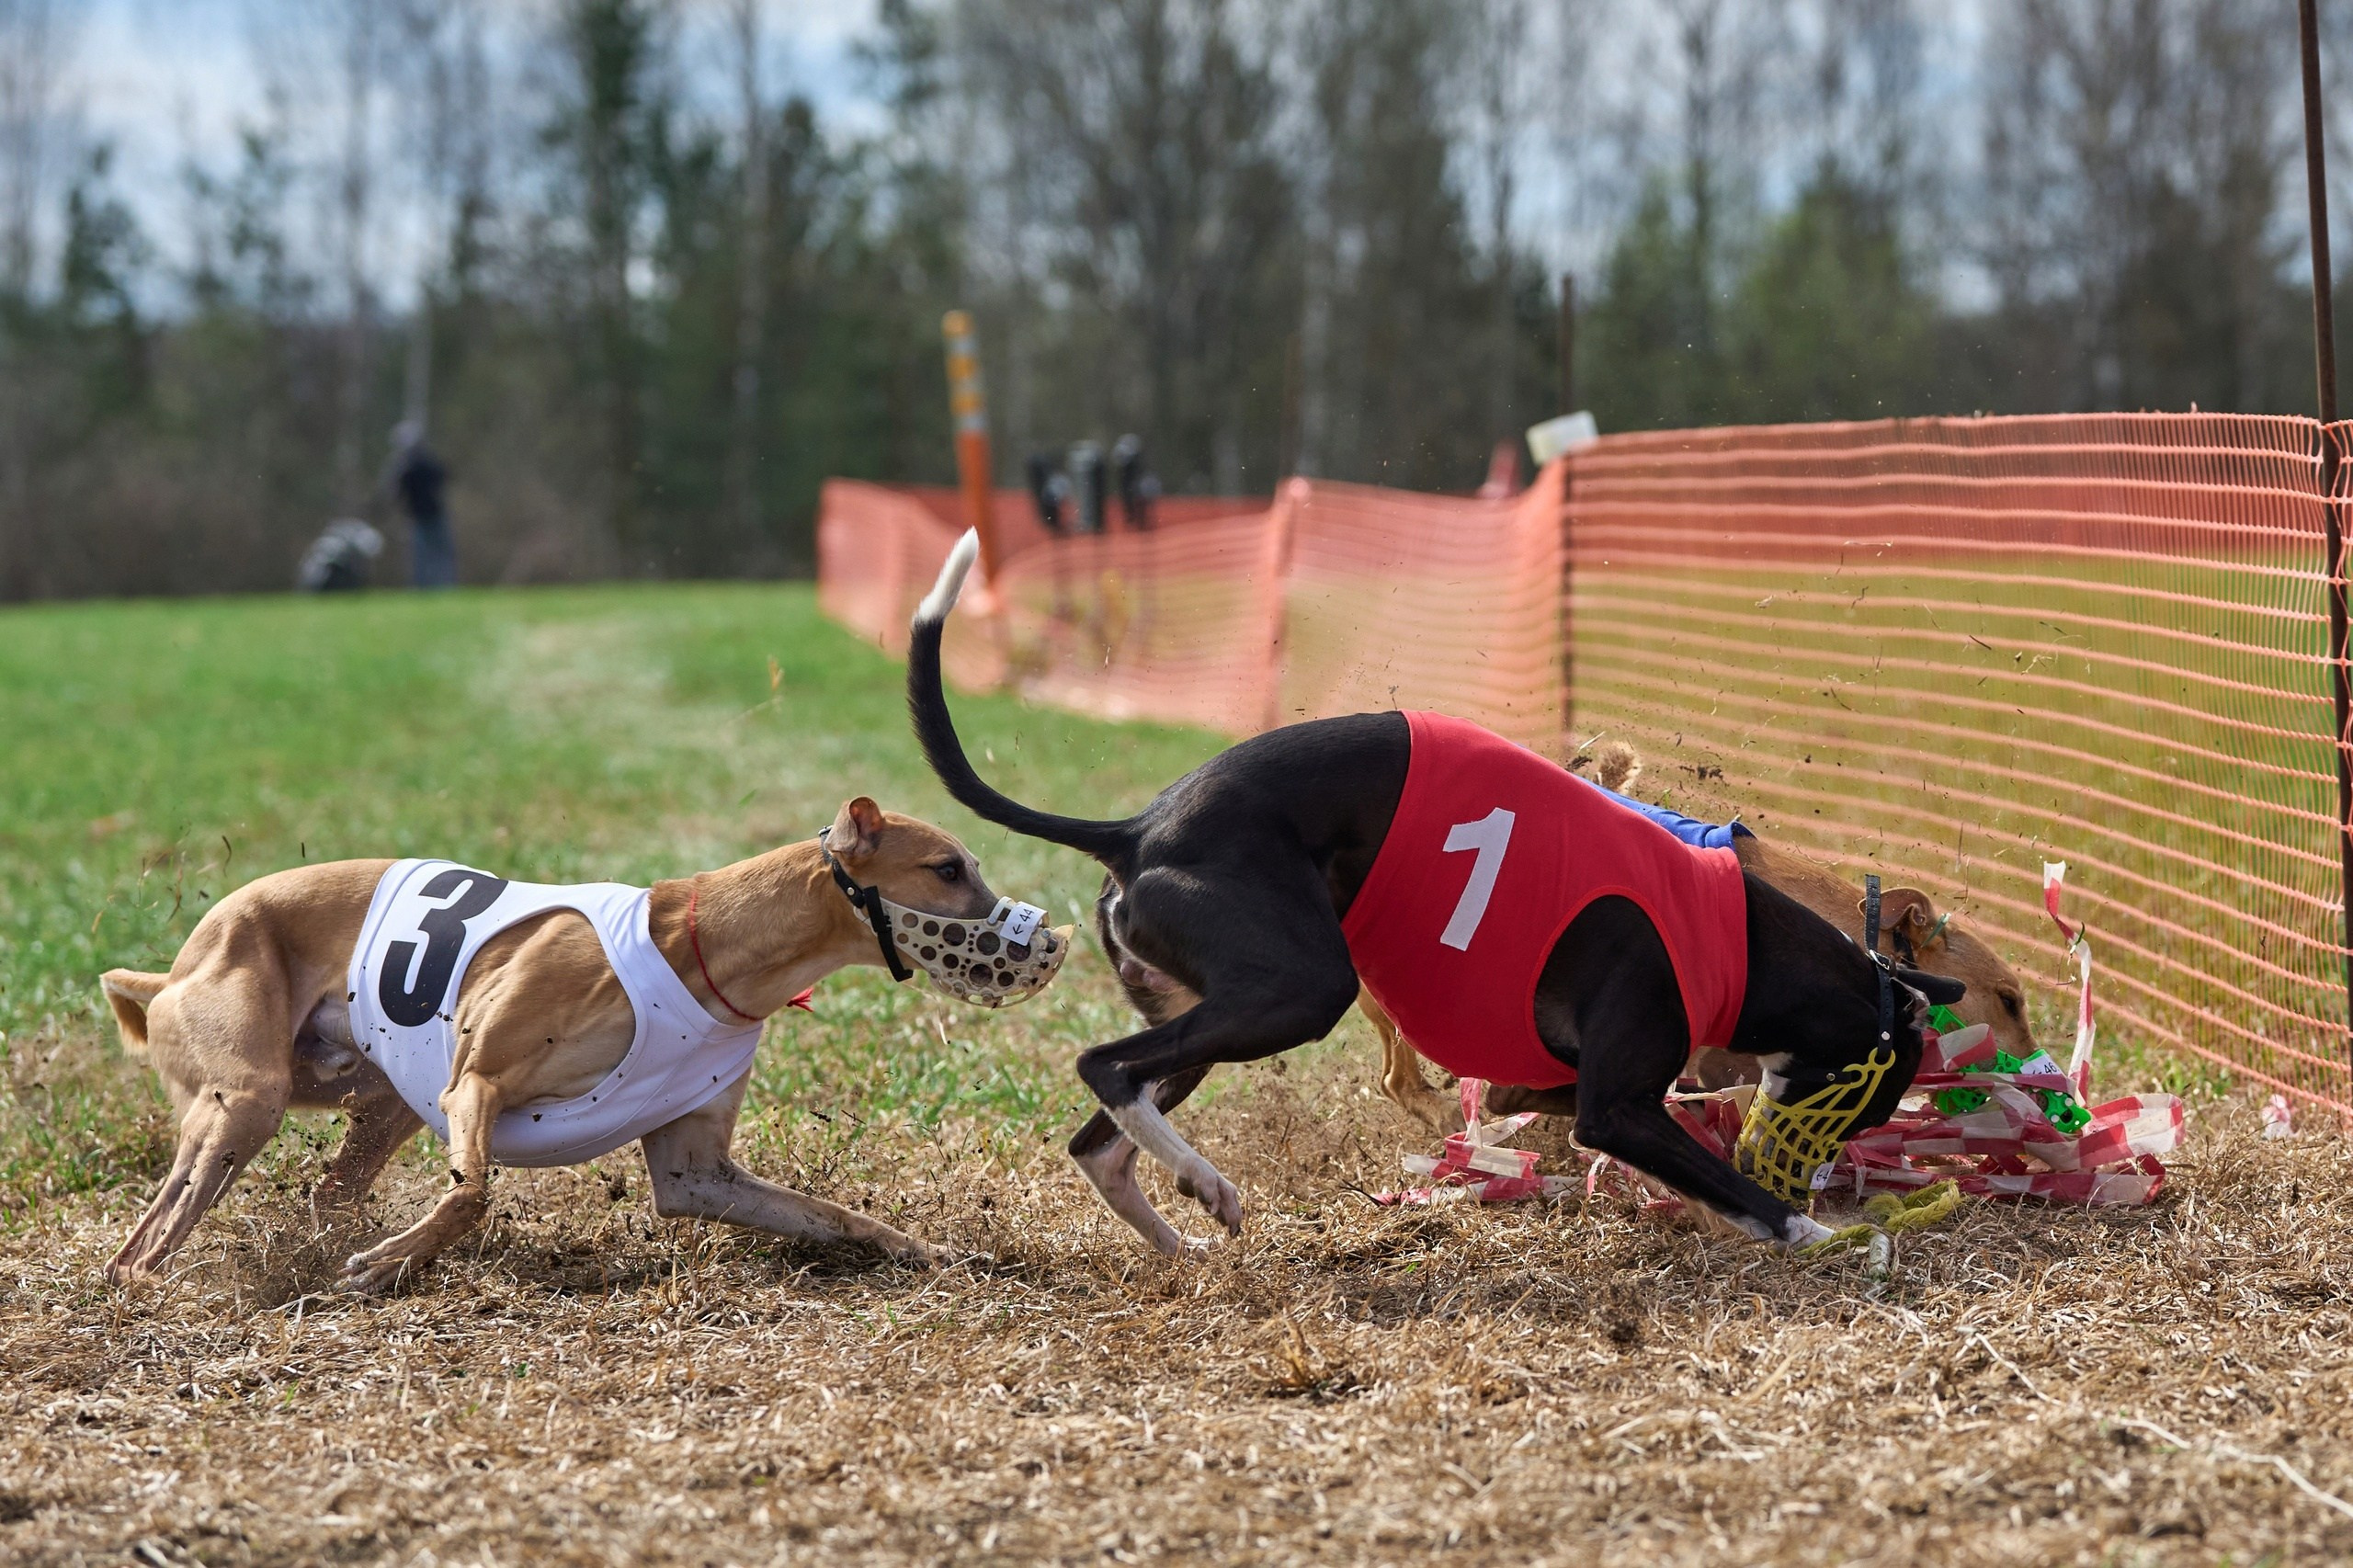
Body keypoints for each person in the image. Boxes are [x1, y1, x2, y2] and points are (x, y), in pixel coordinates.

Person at [381, 420, 457, 588]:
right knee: (424, 557)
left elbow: (443, 475)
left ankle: (444, 586)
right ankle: (426, 587)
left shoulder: (422, 462)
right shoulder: (405, 466)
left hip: (433, 514)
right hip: (420, 517)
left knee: (436, 555)